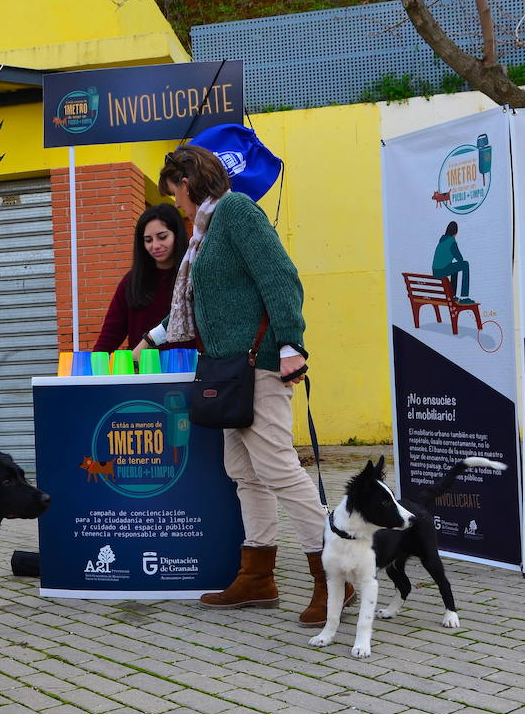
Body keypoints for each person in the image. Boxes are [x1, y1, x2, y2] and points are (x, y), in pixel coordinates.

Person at [133, 144, 348, 626]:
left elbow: (281, 277)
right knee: (244, 471)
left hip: (260, 365)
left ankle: (337, 578)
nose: (177, 205)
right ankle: (258, 577)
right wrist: (155, 335)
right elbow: (201, 300)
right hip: (227, 370)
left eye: (175, 193)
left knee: (278, 469)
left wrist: (292, 343)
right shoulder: (204, 233)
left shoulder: (235, 212)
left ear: (187, 182)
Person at [93, 203, 194, 352]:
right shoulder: (131, 282)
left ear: (177, 235)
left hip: (189, 371)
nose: (155, 245)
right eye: (148, 240)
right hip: (141, 372)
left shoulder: (193, 276)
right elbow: (109, 337)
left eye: (162, 237)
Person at [432, 221, 473, 304]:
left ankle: (453, 296)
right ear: (456, 232)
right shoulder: (451, 241)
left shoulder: (442, 241)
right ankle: (464, 297)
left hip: (435, 271)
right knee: (465, 264)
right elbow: (460, 259)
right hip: (441, 271)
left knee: (454, 268)